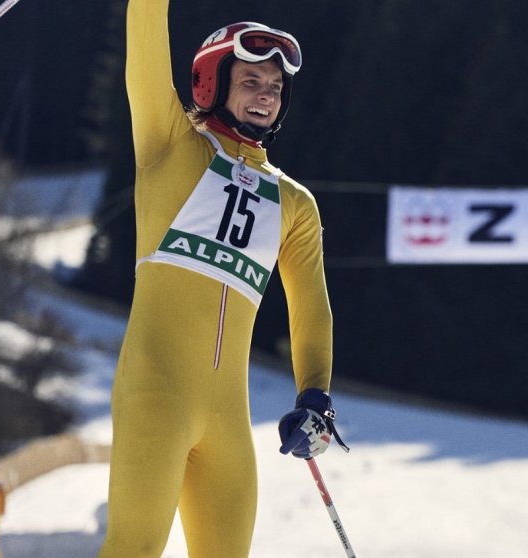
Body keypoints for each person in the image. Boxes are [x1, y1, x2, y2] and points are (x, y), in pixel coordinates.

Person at [98, 2, 346, 556]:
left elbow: (310, 308)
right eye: (251, 80)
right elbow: (145, 34)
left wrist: (315, 395)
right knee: (133, 549)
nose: (266, 95)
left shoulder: (294, 204)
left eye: (275, 87)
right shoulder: (169, 143)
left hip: (228, 424)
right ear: (212, 82)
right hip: (155, 398)